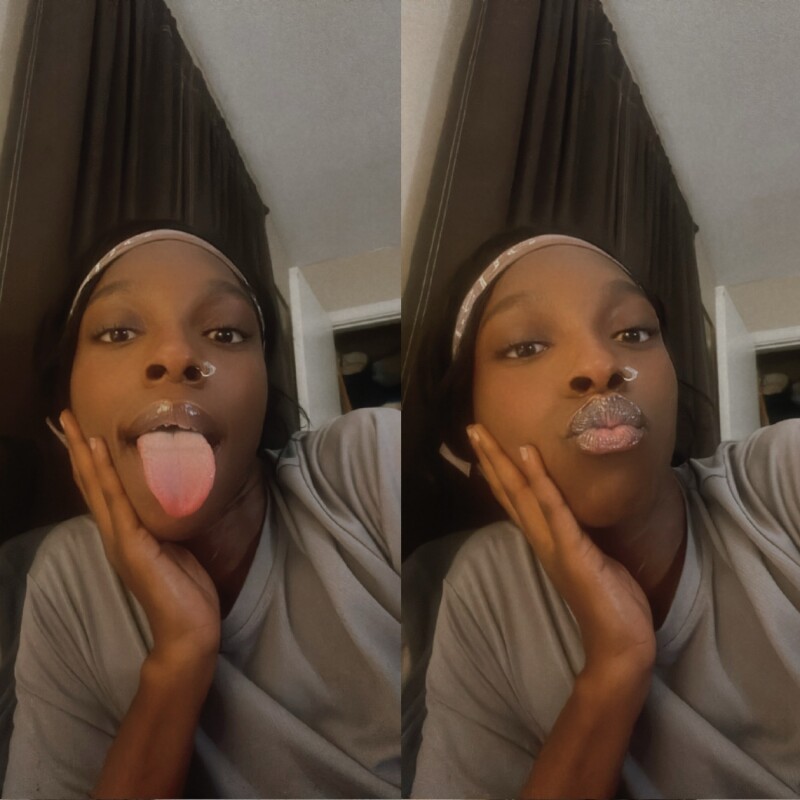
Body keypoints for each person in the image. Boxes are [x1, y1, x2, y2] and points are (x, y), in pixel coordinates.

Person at [2, 224, 401, 799]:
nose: (176, 356)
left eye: (225, 332)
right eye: (118, 332)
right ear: (66, 400)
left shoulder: (367, 465)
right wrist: (179, 654)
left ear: (264, 388)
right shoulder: (67, 579)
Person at [406, 231, 800, 799]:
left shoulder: (782, 480)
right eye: (526, 346)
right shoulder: (485, 591)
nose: (599, 364)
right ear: (468, 421)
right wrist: (615, 666)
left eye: (633, 332)